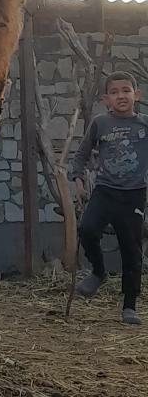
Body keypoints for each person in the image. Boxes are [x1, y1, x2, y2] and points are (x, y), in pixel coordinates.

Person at [72, 71, 148, 325]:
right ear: (106, 99)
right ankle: (98, 271)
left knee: (131, 250)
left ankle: (129, 306)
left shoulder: (144, 125)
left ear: (137, 95)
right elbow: (81, 155)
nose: (121, 96)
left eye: (126, 91)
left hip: (134, 194)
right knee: (87, 229)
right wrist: (78, 180)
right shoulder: (100, 123)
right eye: (114, 92)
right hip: (105, 190)